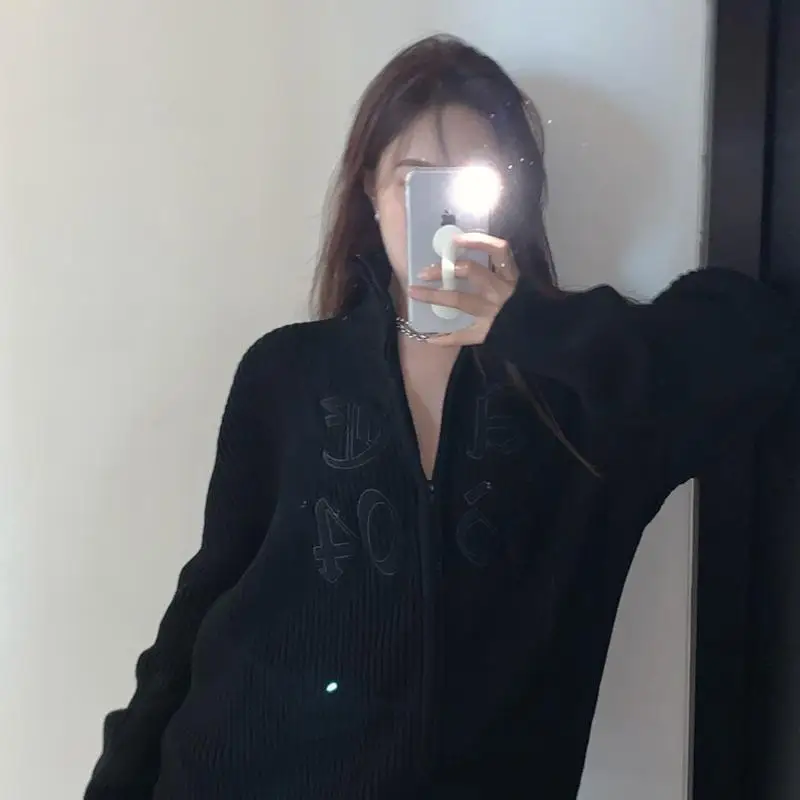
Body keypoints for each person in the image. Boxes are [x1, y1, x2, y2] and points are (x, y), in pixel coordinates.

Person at [85, 34, 799, 800]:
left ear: (513, 196)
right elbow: (202, 603)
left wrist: (531, 326)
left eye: (470, 182)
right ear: (370, 190)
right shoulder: (286, 372)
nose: (441, 211)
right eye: (413, 179)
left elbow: (758, 348)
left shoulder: (579, 393)